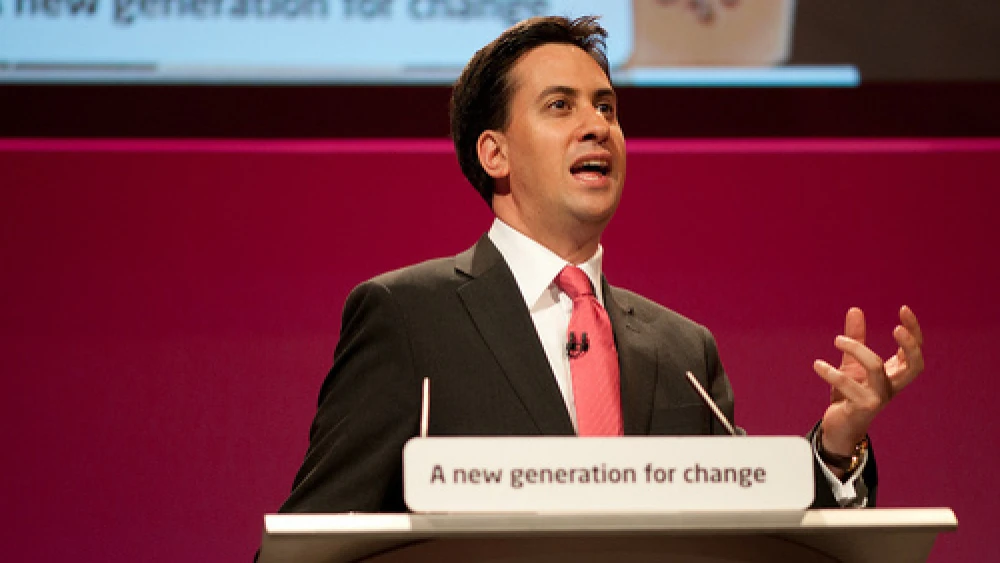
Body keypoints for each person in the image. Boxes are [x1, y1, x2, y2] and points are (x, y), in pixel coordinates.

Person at [276, 15, 924, 514]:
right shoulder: (408, 317)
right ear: (494, 153)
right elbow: (316, 534)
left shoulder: (682, 350)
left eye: (607, 106)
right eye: (561, 106)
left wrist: (838, 443)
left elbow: (753, 524)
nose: (598, 126)